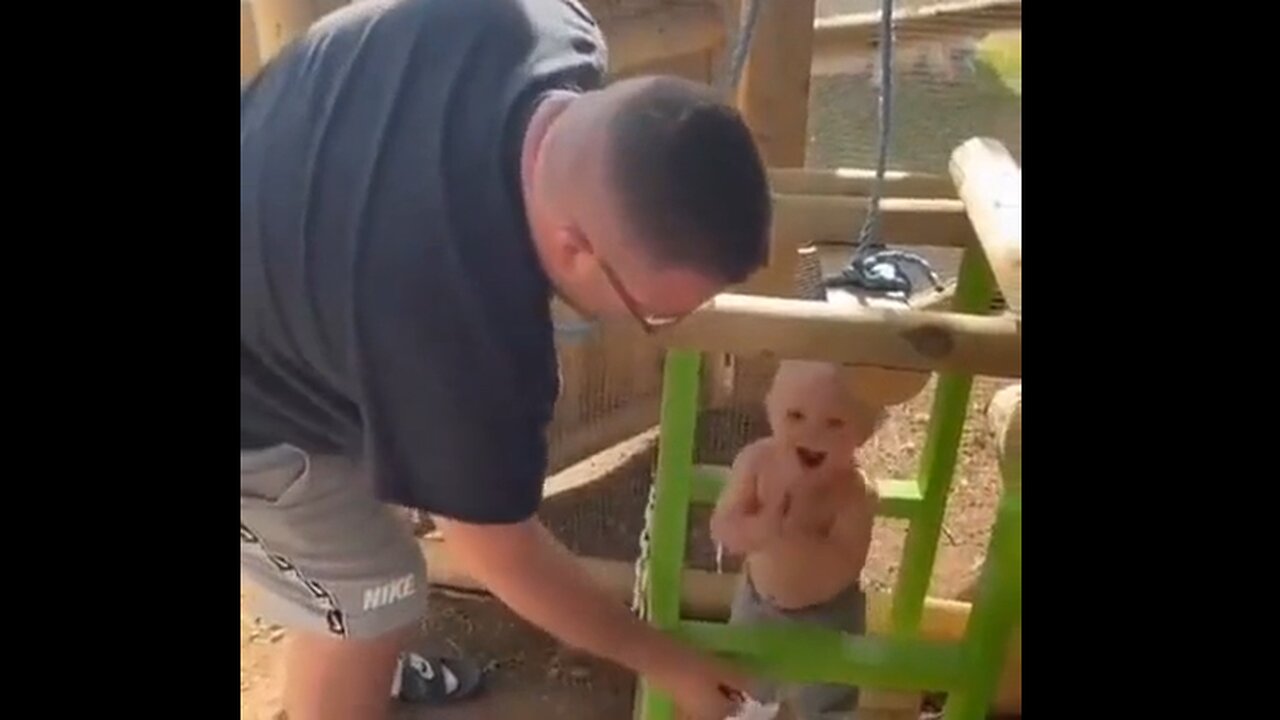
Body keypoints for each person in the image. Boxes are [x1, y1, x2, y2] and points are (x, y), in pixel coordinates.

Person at [239, 0, 773, 718]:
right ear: (577, 247)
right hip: (255, 399)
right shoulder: (458, 328)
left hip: (289, 230)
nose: (652, 329)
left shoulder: (550, 27)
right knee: (372, 596)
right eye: (654, 313)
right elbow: (503, 554)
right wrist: (664, 659)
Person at [710, 361, 883, 719]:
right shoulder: (756, 462)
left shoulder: (854, 493)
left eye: (835, 423)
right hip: (758, 602)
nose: (812, 434)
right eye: (795, 416)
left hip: (830, 614)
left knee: (828, 694)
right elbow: (724, 526)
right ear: (772, 411)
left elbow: (847, 563)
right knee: (744, 685)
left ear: (865, 431)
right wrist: (761, 526)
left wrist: (791, 535)